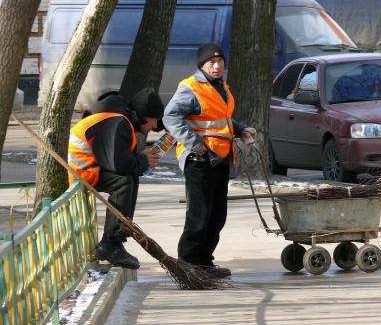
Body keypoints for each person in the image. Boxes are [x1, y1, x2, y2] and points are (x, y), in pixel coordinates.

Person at [163, 43, 256, 278]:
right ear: (202, 65)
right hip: (199, 160)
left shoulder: (222, 86)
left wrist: (241, 130)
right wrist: (197, 146)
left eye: (220, 62)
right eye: (211, 63)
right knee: (199, 215)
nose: (216, 66)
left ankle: (205, 262)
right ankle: (189, 263)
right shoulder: (191, 87)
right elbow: (171, 117)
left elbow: (219, 120)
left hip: (220, 158)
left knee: (216, 216)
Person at [68, 88, 164, 269]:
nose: (155, 125)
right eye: (155, 119)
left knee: (129, 178)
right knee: (123, 181)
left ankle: (116, 240)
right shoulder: (117, 121)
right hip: (80, 170)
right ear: (144, 115)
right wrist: (143, 160)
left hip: (89, 167)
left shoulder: (119, 119)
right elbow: (118, 164)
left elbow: (119, 159)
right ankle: (111, 244)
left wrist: (141, 160)